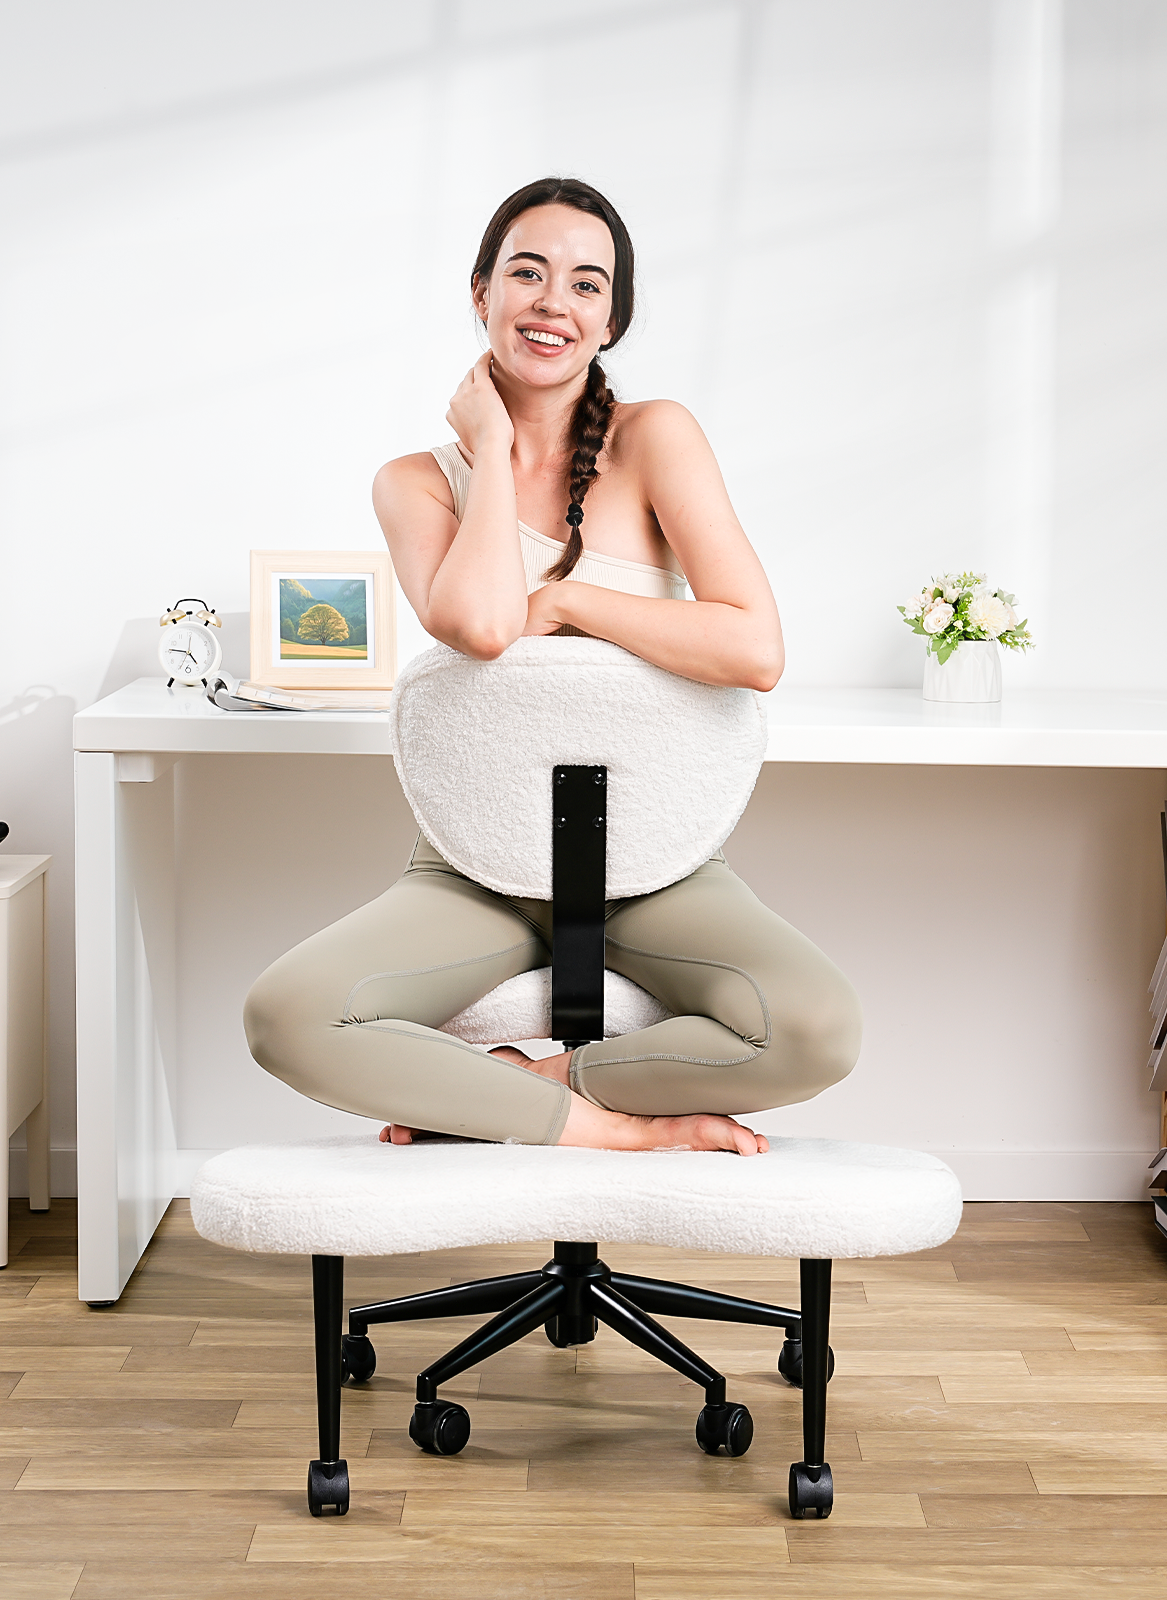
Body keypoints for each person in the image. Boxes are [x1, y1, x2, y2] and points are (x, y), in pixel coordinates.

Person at [243, 178, 860, 1156]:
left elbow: (753, 647)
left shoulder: (656, 437)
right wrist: (491, 450)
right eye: (526, 273)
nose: (552, 303)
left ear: (609, 318)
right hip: (474, 865)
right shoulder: (413, 482)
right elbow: (482, 626)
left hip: (659, 863)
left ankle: (533, 1093)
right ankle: (609, 1132)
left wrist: (569, 599)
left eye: (585, 284)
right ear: (480, 291)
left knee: (816, 1025)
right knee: (286, 1014)